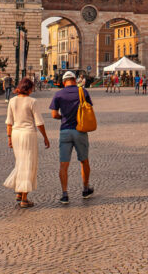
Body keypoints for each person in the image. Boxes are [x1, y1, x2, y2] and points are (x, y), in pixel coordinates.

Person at [4, 78, 50, 208]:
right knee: (27, 164)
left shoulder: (12, 101)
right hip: (28, 134)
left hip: (15, 134)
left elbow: (9, 122)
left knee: (20, 162)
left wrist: (9, 138)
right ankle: (24, 198)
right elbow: (39, 122)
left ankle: (19, 192)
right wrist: (45, 137)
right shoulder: (32, 102)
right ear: (29, 88)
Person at [50, 71, 94, 204]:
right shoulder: (83, 92)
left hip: (65, 131)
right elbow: (89, 108)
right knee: (84, 160)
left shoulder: (58, 94)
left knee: (64, 164)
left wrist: (62, 117)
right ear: (75, 80)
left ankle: (65, 194)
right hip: (80, 130)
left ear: (64, 82)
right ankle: (86, 189)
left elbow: (53, 115)